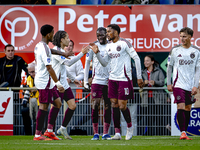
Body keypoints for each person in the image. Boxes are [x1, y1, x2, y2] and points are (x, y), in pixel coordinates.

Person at [90, 24, 143, 140]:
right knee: (113, 104)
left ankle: (129, 127)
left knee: (122, 105)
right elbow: (104, 63)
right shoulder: (109, 46)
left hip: (124, 78)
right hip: (112, 79)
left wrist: (139, 77)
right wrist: (97, 53)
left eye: (109, 31)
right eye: (107, 31)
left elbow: (137, 58)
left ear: (116, 32)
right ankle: (117, 133)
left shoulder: (125, 43)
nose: (107, 34)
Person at [52, 30, 90, 140]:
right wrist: (82, 53)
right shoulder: (55, 51)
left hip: (66, 85)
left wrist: (74, 79)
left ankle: (62, 128)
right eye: (67, 38)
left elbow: (65, 69)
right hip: (57, 85)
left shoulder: (63, 53)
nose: (69, 41)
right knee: (54, 108)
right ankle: (49, 130)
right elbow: (68, 63)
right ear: (62, 40)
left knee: (73, 106)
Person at [167, 27, 200, 140]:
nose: (182, 38)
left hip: (190, 85)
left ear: (191, 37)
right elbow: (169, 67)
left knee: (188, 108)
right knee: (180, 105)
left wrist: (196, 85)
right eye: (181, 36)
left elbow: (198, 70)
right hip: (178, 84)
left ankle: (184, 132)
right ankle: (182, 133)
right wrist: (168, 82)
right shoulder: (175, 50)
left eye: (184, 36)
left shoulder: (196, 51)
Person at [33, 24, 65, 141]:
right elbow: (49, 68)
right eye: (52, 33)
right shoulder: (44, 47)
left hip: (47, 81)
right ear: (48, 34)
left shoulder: (39, 45)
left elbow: (49, 51)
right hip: (44, 81)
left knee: (57, 103)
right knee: (44, 106)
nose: (53, 35)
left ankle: (49, 131)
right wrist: (58, 83)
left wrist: (63, 54)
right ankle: (37, 135)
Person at [84, 27, 112, 140]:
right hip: (96, 80)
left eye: (102, 35)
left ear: (106, 34)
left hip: (109, 80)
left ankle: (105, 133)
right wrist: (86, 80)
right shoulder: (93, 46)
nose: (100, 37)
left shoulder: (111, 46)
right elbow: (87, 63)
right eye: (98, 35)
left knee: (108, 105)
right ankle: (95, 133)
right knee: (95, 105)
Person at [141, 55, 165, 135]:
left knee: (159, 118)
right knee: (149, 119)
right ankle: (149, 135)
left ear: (152, 62)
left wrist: (155, 82)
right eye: (144, 61)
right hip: (147, 99)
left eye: (147, 61)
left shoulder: (159, 71)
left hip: (157, 99)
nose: (145, 62)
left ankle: (160, 134)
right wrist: (144, 83)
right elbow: (139, 84)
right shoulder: (142, 72)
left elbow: (162, 82)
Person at [21, 62, 39, 135]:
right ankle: (28, 134)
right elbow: (26, 89)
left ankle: (40, 133)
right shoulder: (28, 78)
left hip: (41, 102)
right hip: (32, 101)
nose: (31, 74)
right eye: (29, 72)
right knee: (24, 111)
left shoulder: (41, 78)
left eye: (33, 72)